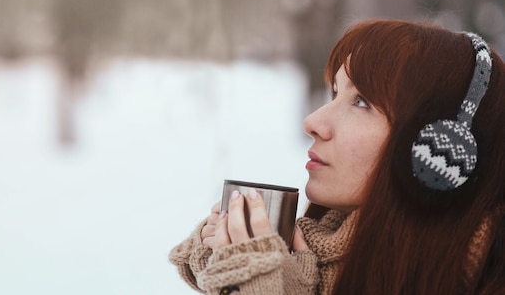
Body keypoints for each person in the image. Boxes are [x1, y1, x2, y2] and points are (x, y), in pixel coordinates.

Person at [168, 19, 505, 295]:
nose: (312, 122)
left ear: (439, 152)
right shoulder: (314, 265)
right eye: (334, 92)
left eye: (362, 102)